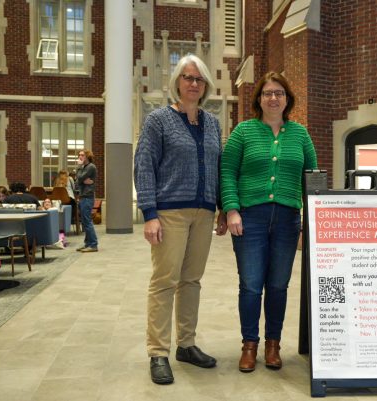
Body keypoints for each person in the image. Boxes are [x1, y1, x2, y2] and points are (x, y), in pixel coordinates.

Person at [134, 54, 227, 385]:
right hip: (170, 212)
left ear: (206, 86)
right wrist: (149, 214)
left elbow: (219, 168)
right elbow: (144, 165)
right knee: (164, 280)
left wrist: (220, 207)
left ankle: (186, 345)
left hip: (203, 212)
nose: (193, 84)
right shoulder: (158, 120)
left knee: (192, 280)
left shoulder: (213, 123)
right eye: (188, 78)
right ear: (177, 82)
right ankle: (157, 351)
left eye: (199, 79)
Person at [220, 71, 318, 372]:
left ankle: (273, 344)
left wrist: (312, 216)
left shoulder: (300, 134)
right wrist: (232, 210)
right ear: (259, 99)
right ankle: (249, 345)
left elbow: (313, 177)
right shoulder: (243, 132)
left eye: (279, 93)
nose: (273, 98)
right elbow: (227, 172)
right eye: (267, 93)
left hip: (288, 219)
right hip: (251, 218)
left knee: (278, 285)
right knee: (250, 285)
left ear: (287, 99)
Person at [75, 149, 98, 252]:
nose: (80, 157)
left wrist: (79, 171)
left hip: (87, 197)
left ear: (87, 156)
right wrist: (81, 180)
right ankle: (87, 243)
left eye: (82, 155)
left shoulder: (91, 167)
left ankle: (93, 245)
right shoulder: (84, 167)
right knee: (84, 221)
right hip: (83, 196)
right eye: (79, 155)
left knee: (87, 221)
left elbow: (79, 178)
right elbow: (78, 181)